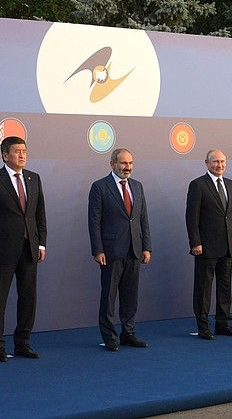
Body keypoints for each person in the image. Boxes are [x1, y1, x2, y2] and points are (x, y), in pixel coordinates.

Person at [0, 136, 47, 362]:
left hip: (29, 248)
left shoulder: (34, 178)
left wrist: (41, 243)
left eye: (24, 151)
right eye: (17, 151)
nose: (22, 155)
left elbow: (39, 214)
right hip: (1, 250)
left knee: (28, 298)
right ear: (5, 155)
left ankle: (22, 343)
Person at [88, 148, 152, 351]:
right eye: (124, 163)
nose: (128, 167)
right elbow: (94, 221)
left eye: (130, 163)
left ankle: (128, 333)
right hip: (110, 251)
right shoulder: (100, 187)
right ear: (112, 164)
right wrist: (98, 250)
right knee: (109, 297)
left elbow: (143, 219)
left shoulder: (137, 186)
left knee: (130, 296)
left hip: (134, 249)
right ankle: (109, 337)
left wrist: (147, 247)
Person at [186, 149, 232, 340]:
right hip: (206, 248)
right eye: (215, 162)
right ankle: (203, 326)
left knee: (225, 287)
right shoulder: (198, 185)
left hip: (227, 246)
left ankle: (223, 324)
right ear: (207, 163)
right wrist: (195, 242)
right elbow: (192, 218)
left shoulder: (231, 184)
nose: (220, 165)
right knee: (203, 289)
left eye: (222, 162)